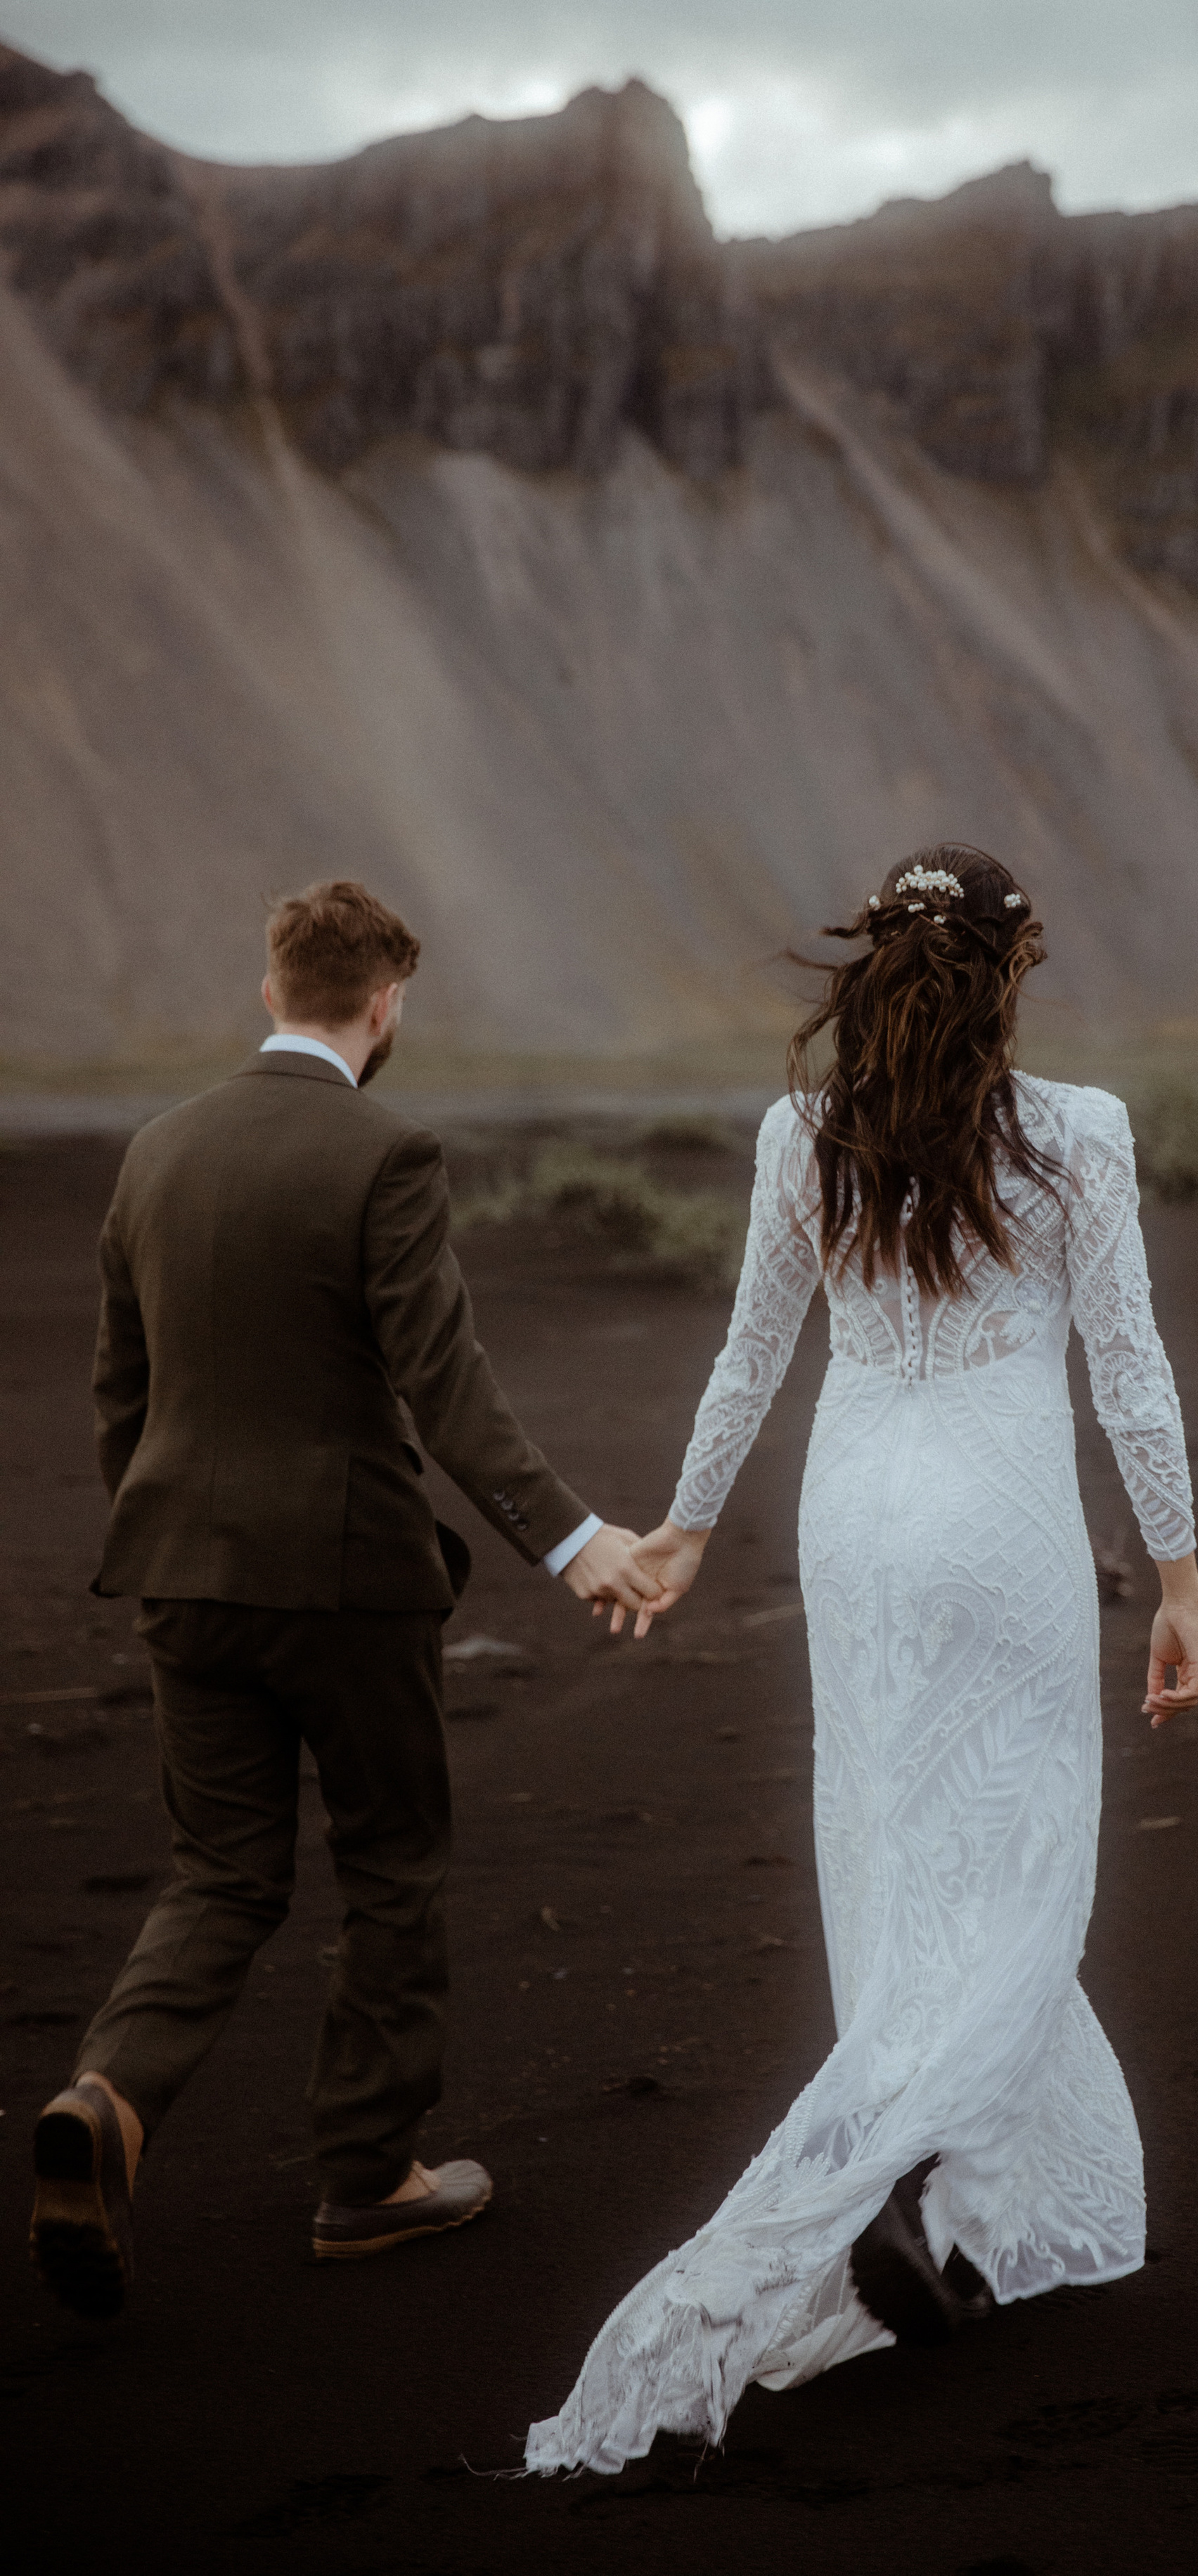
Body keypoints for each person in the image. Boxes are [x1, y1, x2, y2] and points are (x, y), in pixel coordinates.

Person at [525, 845, 1198, 2475]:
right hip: (1001, 1524)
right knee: (1022, 1865)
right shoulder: (1079, 1131)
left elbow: (750, 1352)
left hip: (854, 1527)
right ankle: (921, 2178)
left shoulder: (802, 1134)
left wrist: (686, 1527)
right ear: (1010, 968)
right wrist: (1179, 1576)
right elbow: (1128, 1374)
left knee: (897, 1854)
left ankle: (942, 2187)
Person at [28, 880, 658, 2317]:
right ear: (385, 1004)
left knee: (219, 1873)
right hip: (345, 1584)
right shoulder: (386, 1152)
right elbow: (445, 1381)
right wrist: (571, 1539)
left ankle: (107, 2100)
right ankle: (369, 2178)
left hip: (179, 1574)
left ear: (270, 992)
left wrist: (163, 1532)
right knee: (389, 1862)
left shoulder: (154, 1150)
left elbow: (121, 1392)